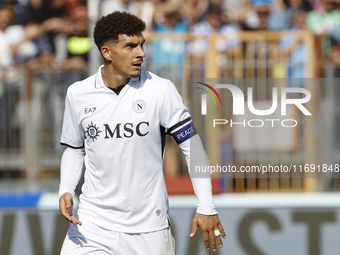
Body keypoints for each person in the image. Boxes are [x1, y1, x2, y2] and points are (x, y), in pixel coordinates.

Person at [58, 11, 225, 254]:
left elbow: (193, 148)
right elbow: (74, 149)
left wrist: (207, 205)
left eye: (141, 45)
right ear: (106, 52)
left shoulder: (160, 90)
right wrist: (66, 188)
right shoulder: (78, 93)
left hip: (148, 230)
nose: (141, 53)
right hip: (91, 225)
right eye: (130, 46)